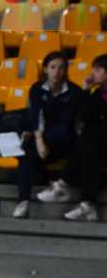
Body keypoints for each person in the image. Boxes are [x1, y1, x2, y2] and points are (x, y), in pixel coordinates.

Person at [12, 52, 83, 219]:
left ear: (65, 71)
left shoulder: (75, 91)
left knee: (60, 131)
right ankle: (23, 201)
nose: (57, 72)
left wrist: (40, 139)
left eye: (61, 68)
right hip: (42, 140)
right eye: (52, 67)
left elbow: (66, 122)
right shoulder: (36, 89)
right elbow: (35, 115)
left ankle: (53, 187)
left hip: (65, 141)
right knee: (27, 149)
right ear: (45, 69)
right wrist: (38, 140)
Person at [37, 53, 107, 222]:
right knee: (90, 143)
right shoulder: (98, 93)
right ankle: (87, 204)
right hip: (99, 146)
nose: (92, 73)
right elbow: (85, 117)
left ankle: (64, 185)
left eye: (97, 69)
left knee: (90, 138)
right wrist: (86, 90)